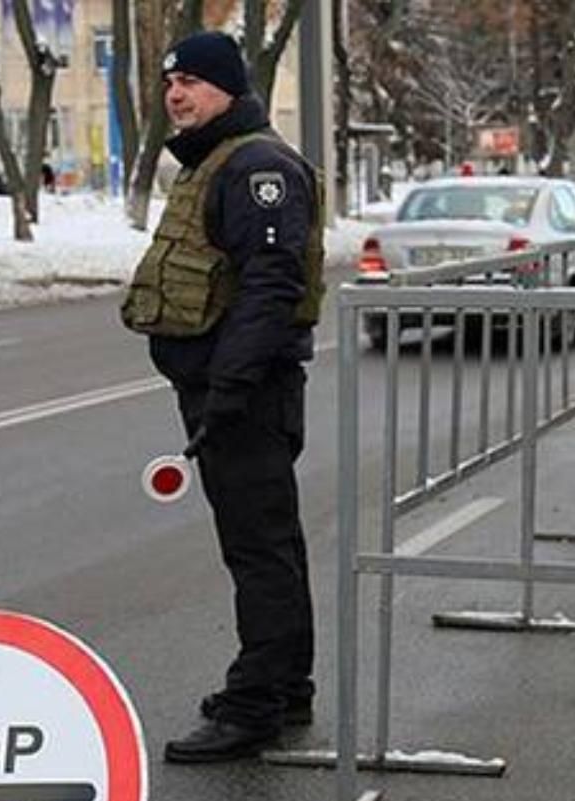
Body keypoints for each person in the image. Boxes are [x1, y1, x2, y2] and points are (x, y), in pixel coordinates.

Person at [120, 31, 325, 760]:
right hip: (229, 388)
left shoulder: (256, 166)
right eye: (171, 79)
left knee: (259, 549)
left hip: (244, 392)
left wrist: (231, 386)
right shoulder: (215, 159)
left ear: (230, 88)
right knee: (271, 544)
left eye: (194, 81)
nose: (177, 92)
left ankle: (254, 706)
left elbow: (273, 284)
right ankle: (284, 683)